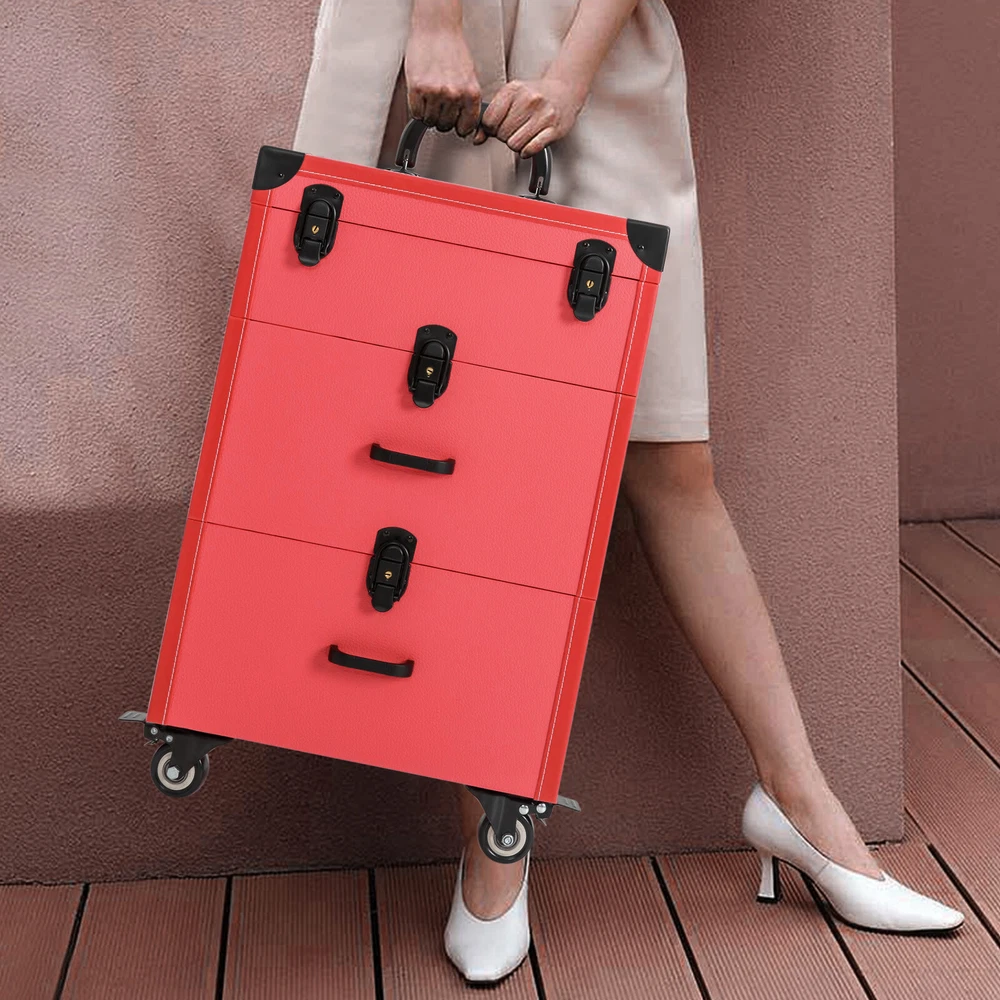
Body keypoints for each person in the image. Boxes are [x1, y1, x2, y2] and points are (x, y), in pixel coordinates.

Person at [293, 0, 964, 984]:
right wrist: (434, 22)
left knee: (668, 453)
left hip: (600, 61)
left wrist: (572, 71)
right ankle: (494, 838)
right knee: (446, 460)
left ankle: (798, 803)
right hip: (427, 48)